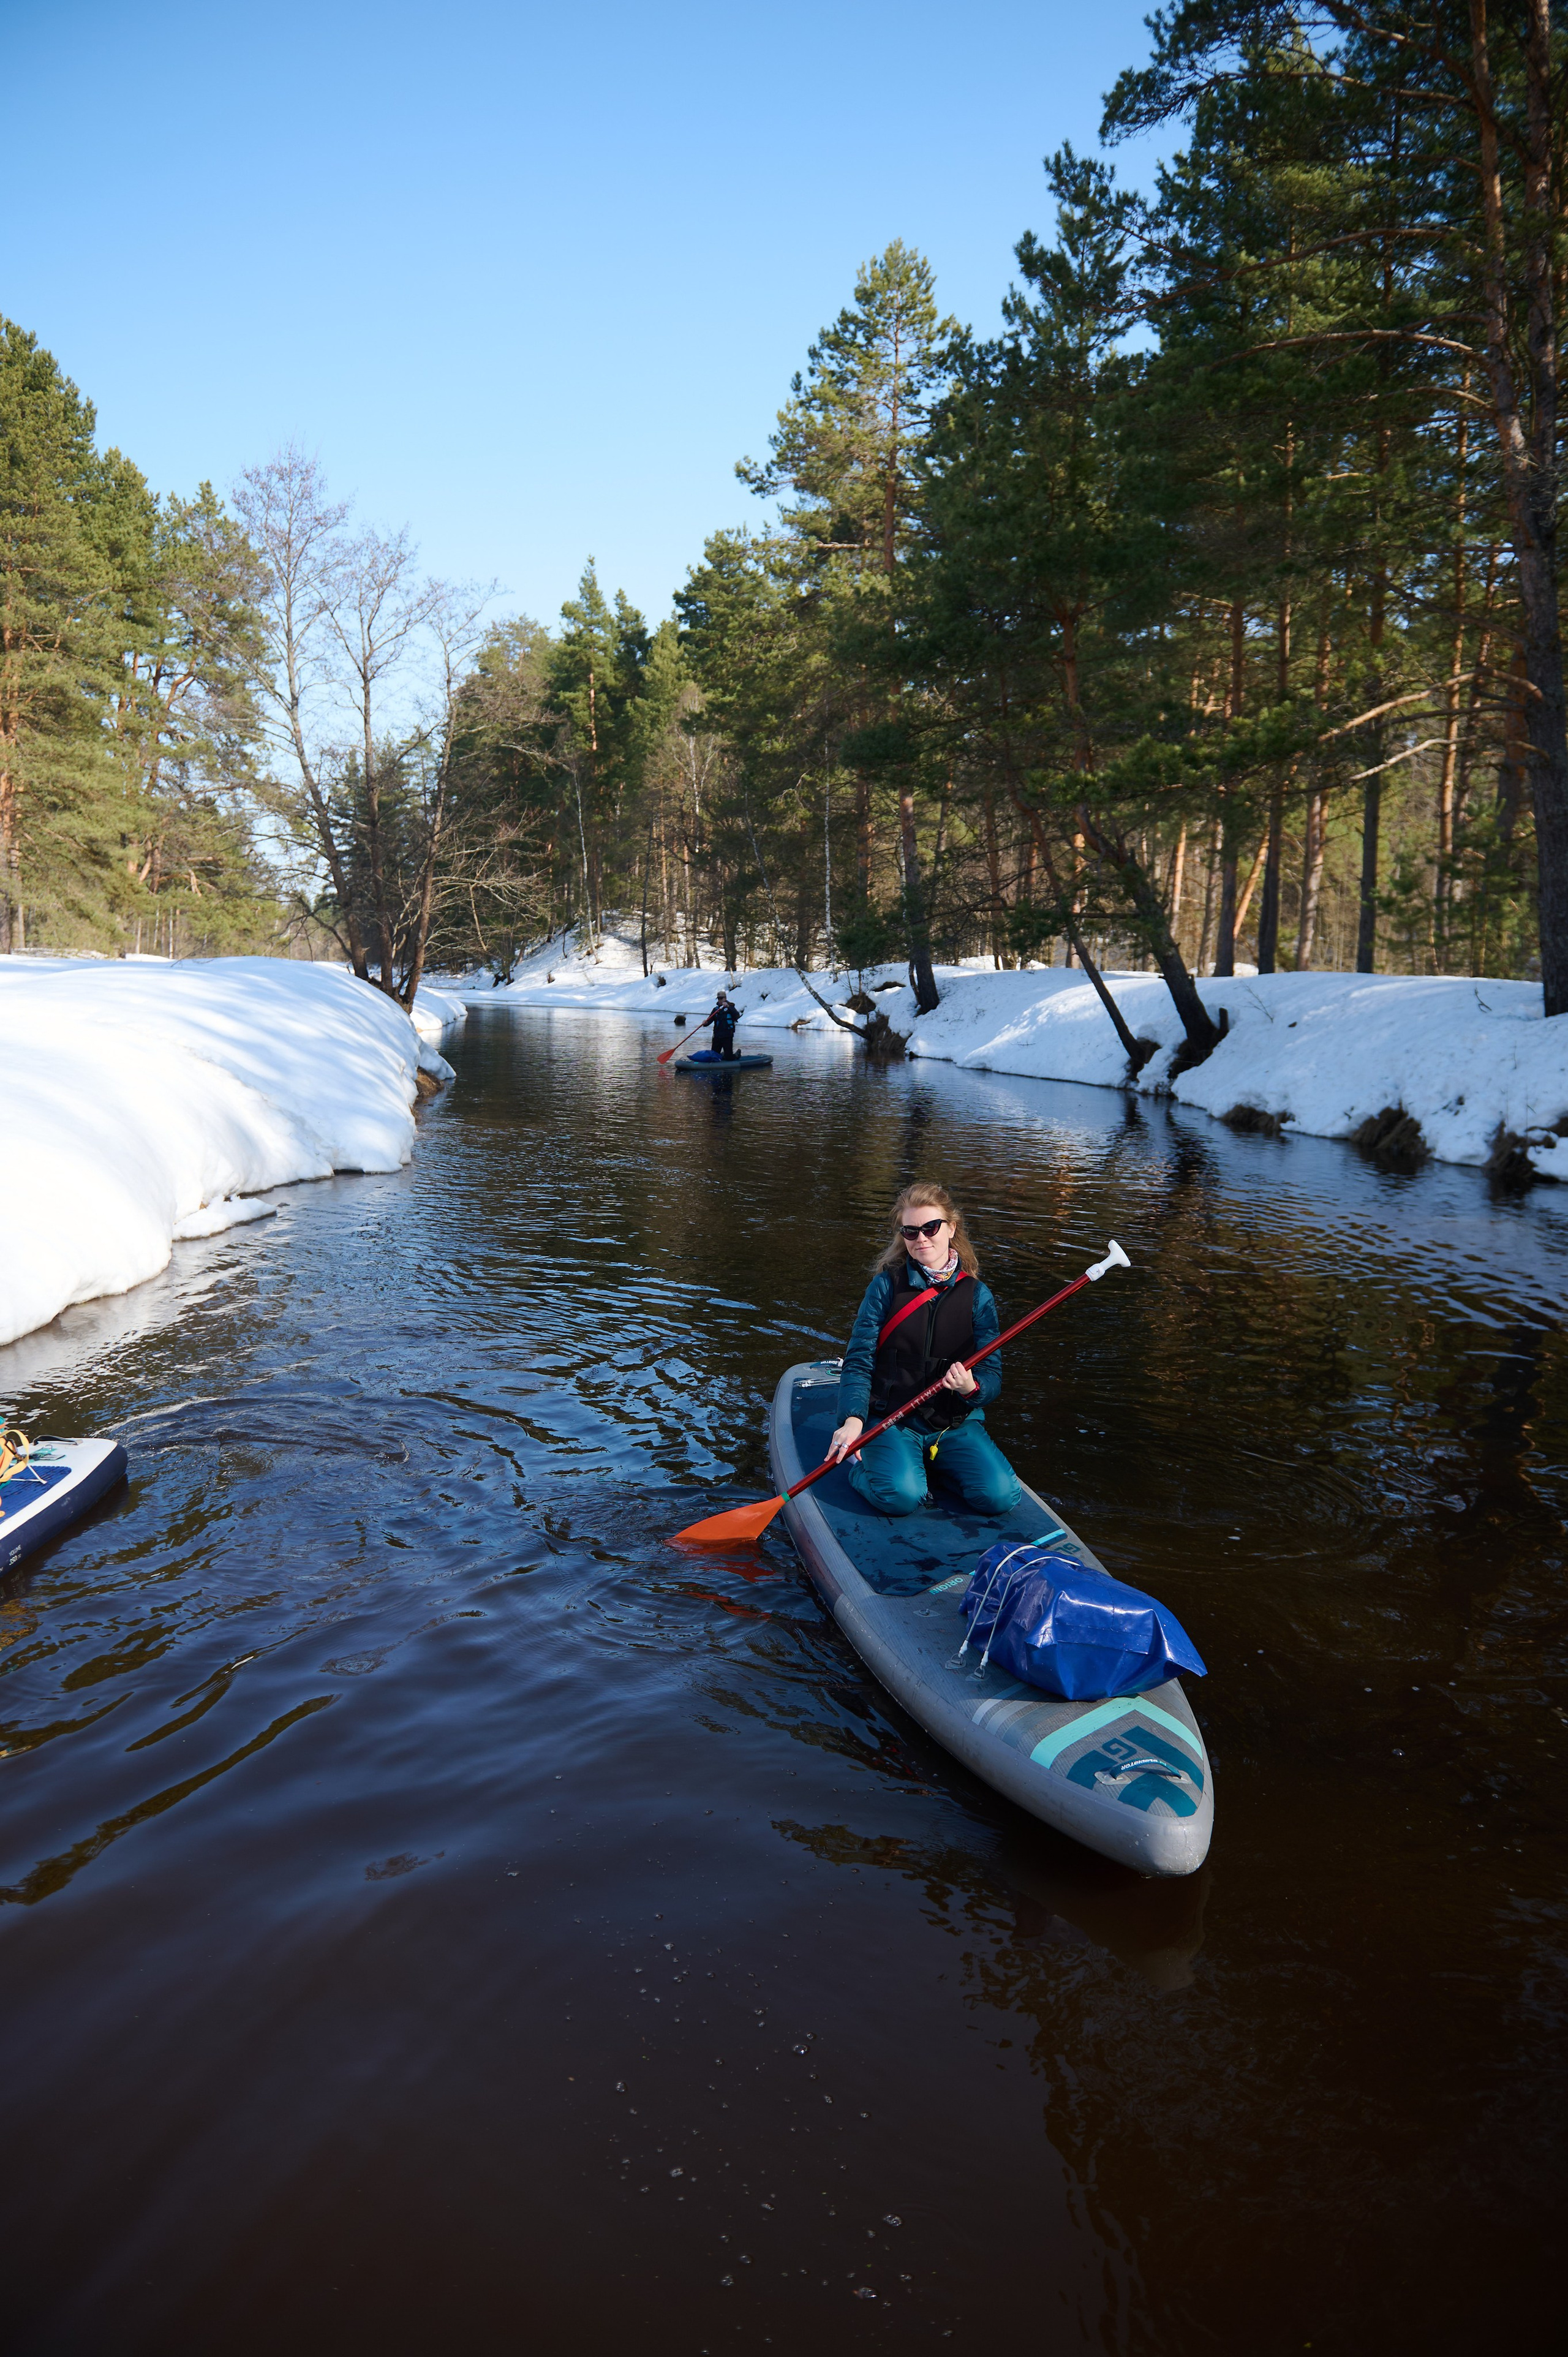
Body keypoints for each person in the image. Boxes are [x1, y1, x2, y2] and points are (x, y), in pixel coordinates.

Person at [827, 1181, 1023, 1519]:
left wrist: (971, 1388)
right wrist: (854, 1418)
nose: (921, 1239)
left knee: (1000, 1498)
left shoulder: (978, 1297)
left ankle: (935, 1465)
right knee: (900, 1498)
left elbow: (992, 1374)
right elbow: (859, 1361)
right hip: (892, 1419)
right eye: (911, 1231)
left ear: (951, 1228)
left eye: (930, 1227)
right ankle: (867, 1469)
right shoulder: (885, 1287)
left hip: (953, 1422)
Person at [697, 988, 740, 1060]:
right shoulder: (716, 1009)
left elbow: (737, 1015)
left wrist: (728, 1007)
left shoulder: (731, 1007)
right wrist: (705, 1023)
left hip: (727, 1035)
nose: (720, 1000)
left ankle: (736, 1055)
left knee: (729, 1058)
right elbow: (710, 1020)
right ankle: (722, 1055)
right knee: (714, 1056)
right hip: (717, 1036)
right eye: (718, 999)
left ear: (725, 998)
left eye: (721, 998)